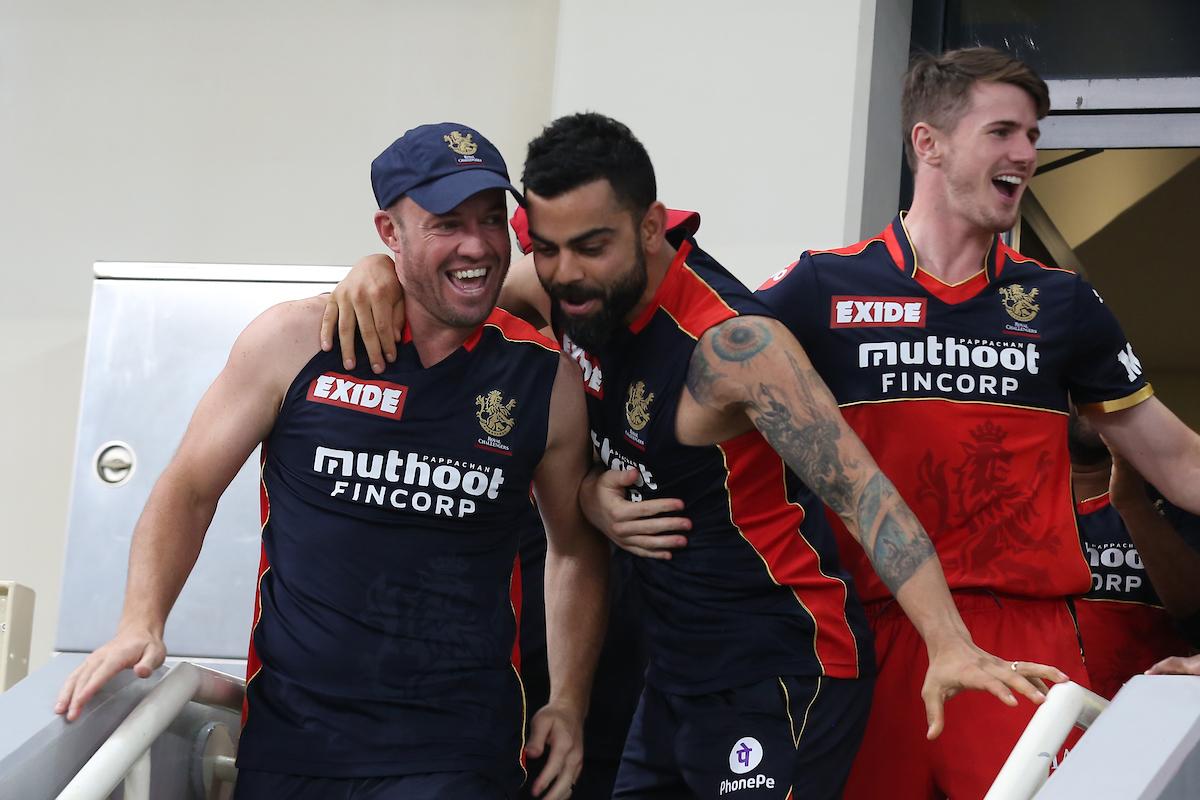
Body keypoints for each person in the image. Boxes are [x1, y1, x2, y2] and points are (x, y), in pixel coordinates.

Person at [320, 112, 1063, 800]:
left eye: (590, 246)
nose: (565, 271)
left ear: (649, 227)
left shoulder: (735, 346)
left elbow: (864, 494)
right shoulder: (563, 291)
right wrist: (375, 266)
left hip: (784, 669)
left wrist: (949, 643)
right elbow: (455, 292)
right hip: (673, 674)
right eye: (545, 248)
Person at [54, 122, 610, 800]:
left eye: (493, 220)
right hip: (292, 743)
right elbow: (190, 486)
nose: (478, 245)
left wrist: (570, 703)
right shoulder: (295, 340)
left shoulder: (541, 378)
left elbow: (574, 551)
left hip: (458, 751)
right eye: (446, 223)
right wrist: (140, 622)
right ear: (388, 231)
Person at [748, 48, 1200, 798]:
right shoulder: (822, 287)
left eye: (1033, 135)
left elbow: (1181, 466)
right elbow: (698, 373)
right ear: (928, 143)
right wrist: (600, 489)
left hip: (1021, 648)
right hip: (871, 636)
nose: (1026, 153)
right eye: (1003, 132)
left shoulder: (1062, 304)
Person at [1069, 409, 1200, 698]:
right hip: (1029, 720)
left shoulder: (1181, 493)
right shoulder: (1007, 498)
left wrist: (1133, 504)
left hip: (1149, 719)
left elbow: (1196, 617)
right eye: (1076, 381)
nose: (1096, 400)